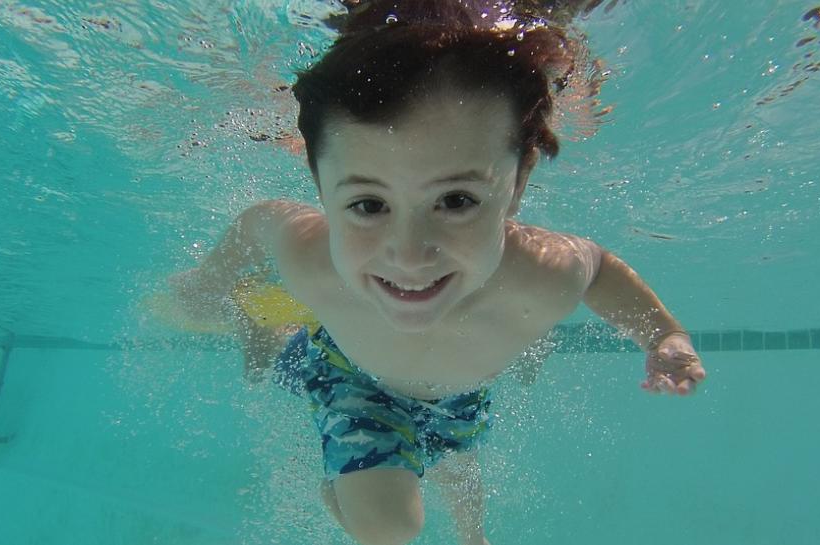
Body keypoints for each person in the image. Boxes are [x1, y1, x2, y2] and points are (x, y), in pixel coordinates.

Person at [169, 1, 707, 544]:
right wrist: (208, 282)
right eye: (368, 205)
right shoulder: (311, 256)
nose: (408, 257)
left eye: (455, 200)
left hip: (459, 394)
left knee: (455, 460)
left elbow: (598, 270)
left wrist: (663, 334)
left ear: (518, 182)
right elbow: (259, 223)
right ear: (319, 183)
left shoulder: (543, 272)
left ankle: (472, 536)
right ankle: (269, 337)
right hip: (352, 378)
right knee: (390, 529)